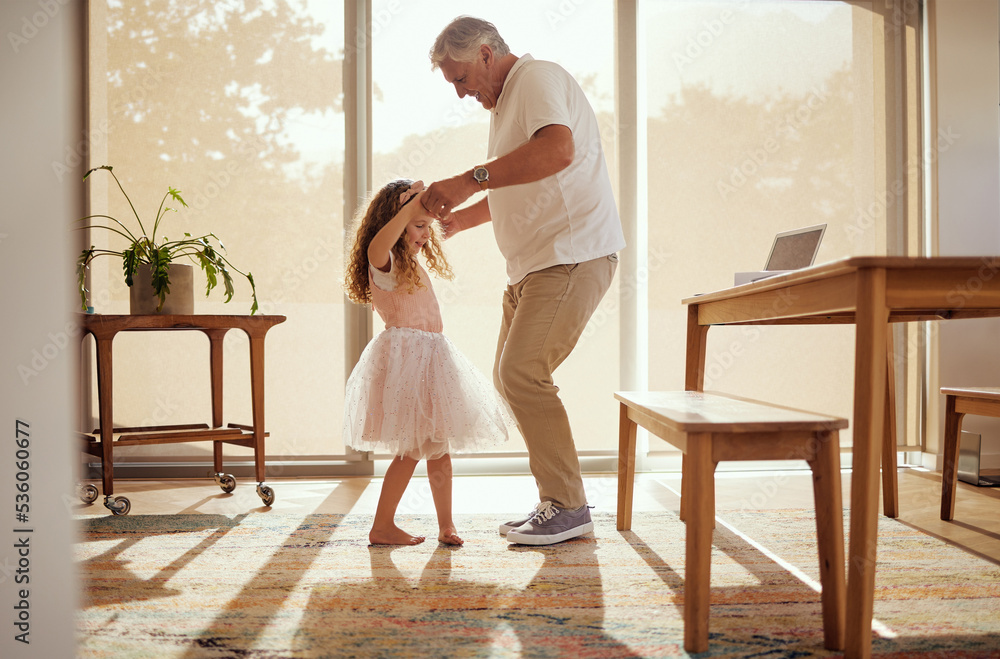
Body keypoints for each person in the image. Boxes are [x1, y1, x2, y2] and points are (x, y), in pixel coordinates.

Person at [423, 16, 626, 546]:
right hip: (535, 265)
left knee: (521, 372)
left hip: (570, 254)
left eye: (462, 79)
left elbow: (557, 150)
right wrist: (459, 219)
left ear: (487, 53)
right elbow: (524, 179)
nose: (464, 93)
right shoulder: (508, 102)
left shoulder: (535, 79)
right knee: (509, 374)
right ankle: (557, 501)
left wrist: (468, 179)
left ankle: (568, 505)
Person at [343, 178, 512, 546]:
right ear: (396, 219)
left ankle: (446, 525)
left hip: (432, 360)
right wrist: (410, 208)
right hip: (409, 362)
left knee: (439, 448)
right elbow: (378, 243)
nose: (424, 235)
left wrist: (421, 214)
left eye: (427, 228)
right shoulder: (382, 261)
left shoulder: (412, 265)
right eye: (418, 226)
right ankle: (382, 526)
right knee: (411, 451)